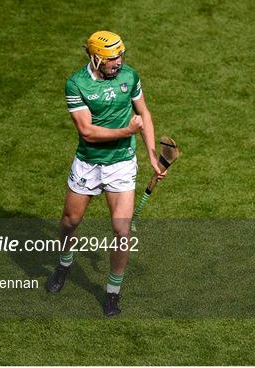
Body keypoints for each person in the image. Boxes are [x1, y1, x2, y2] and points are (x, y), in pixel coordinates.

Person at [46, 30, 165, 317]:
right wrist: (127, 131)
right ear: (95, 57)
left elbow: (144, 113)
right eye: (112, 58)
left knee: (122, 230)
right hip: (88, 163)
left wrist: (150, 152)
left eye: (121, 55)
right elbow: (87, 132)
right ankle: (64, 263)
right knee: (70, 221)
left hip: (121, 163)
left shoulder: (130, 77)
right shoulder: (77, 84)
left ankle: (113, 292)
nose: (119, 62)